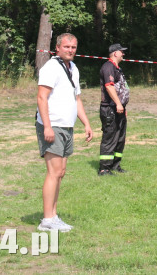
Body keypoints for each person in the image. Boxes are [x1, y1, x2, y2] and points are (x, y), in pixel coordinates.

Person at [36, 32, 93, 232]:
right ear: (57, 48)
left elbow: (76, 98)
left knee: (61, 172)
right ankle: (47, 220)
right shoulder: (51, 67)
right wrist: (48, 126)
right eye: (67, 47)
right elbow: (42, 98)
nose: (70, 50)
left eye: (73, 47)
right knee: (53, 172)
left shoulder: (73, 68)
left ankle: (53, 215)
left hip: (67, 126)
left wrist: (86, 123)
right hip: (53, 125)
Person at [98, 43, 130, 176]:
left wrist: (122, 106)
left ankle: (115, 165)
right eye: (121, 52)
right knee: (110, 138)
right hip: (110, 109)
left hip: (119, 109)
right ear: (115, 53)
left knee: (120, 139)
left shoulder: (117, 68)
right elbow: (109, 87)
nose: (123, 54)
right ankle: (104, 168)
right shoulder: (108, 67)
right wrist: (118, 104)